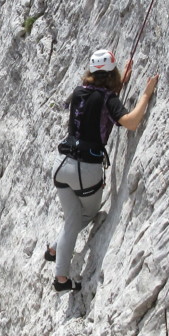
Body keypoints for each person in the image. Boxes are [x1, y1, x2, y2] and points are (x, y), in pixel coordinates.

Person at [47, 49, 159, 292]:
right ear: (112, 75)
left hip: (61, 166)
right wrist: (145, 96)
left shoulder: (78, 91)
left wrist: (117, 86)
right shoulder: (109, 98)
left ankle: (55, 250)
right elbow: (130, 122)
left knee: (72, 217)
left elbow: (92, 106)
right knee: (83, 217)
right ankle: (61, 277)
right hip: (85, 171)